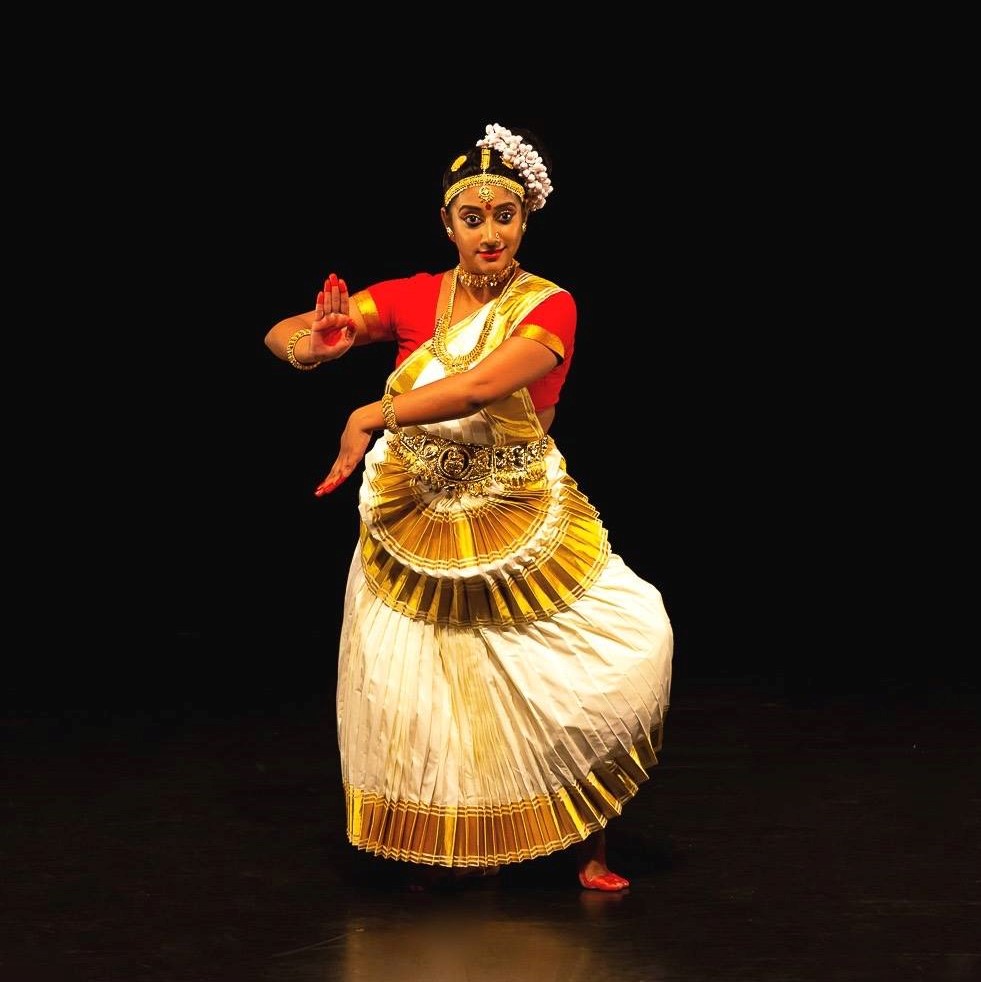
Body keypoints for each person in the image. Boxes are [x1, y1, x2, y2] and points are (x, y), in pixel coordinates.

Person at [264, 123, 673, 892]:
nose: (490, 231)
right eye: (472, 217)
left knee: (589, 653)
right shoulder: (416, 297)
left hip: (517, 500)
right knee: (421, 679)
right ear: (448, 224)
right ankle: (438, 844)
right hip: (416, 503)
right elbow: (281, 331)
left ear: (525, 220)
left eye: (504, 215)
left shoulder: (548, 305)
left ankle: (590, 843)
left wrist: (367, 414)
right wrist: (314, 345)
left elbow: (485, 387)